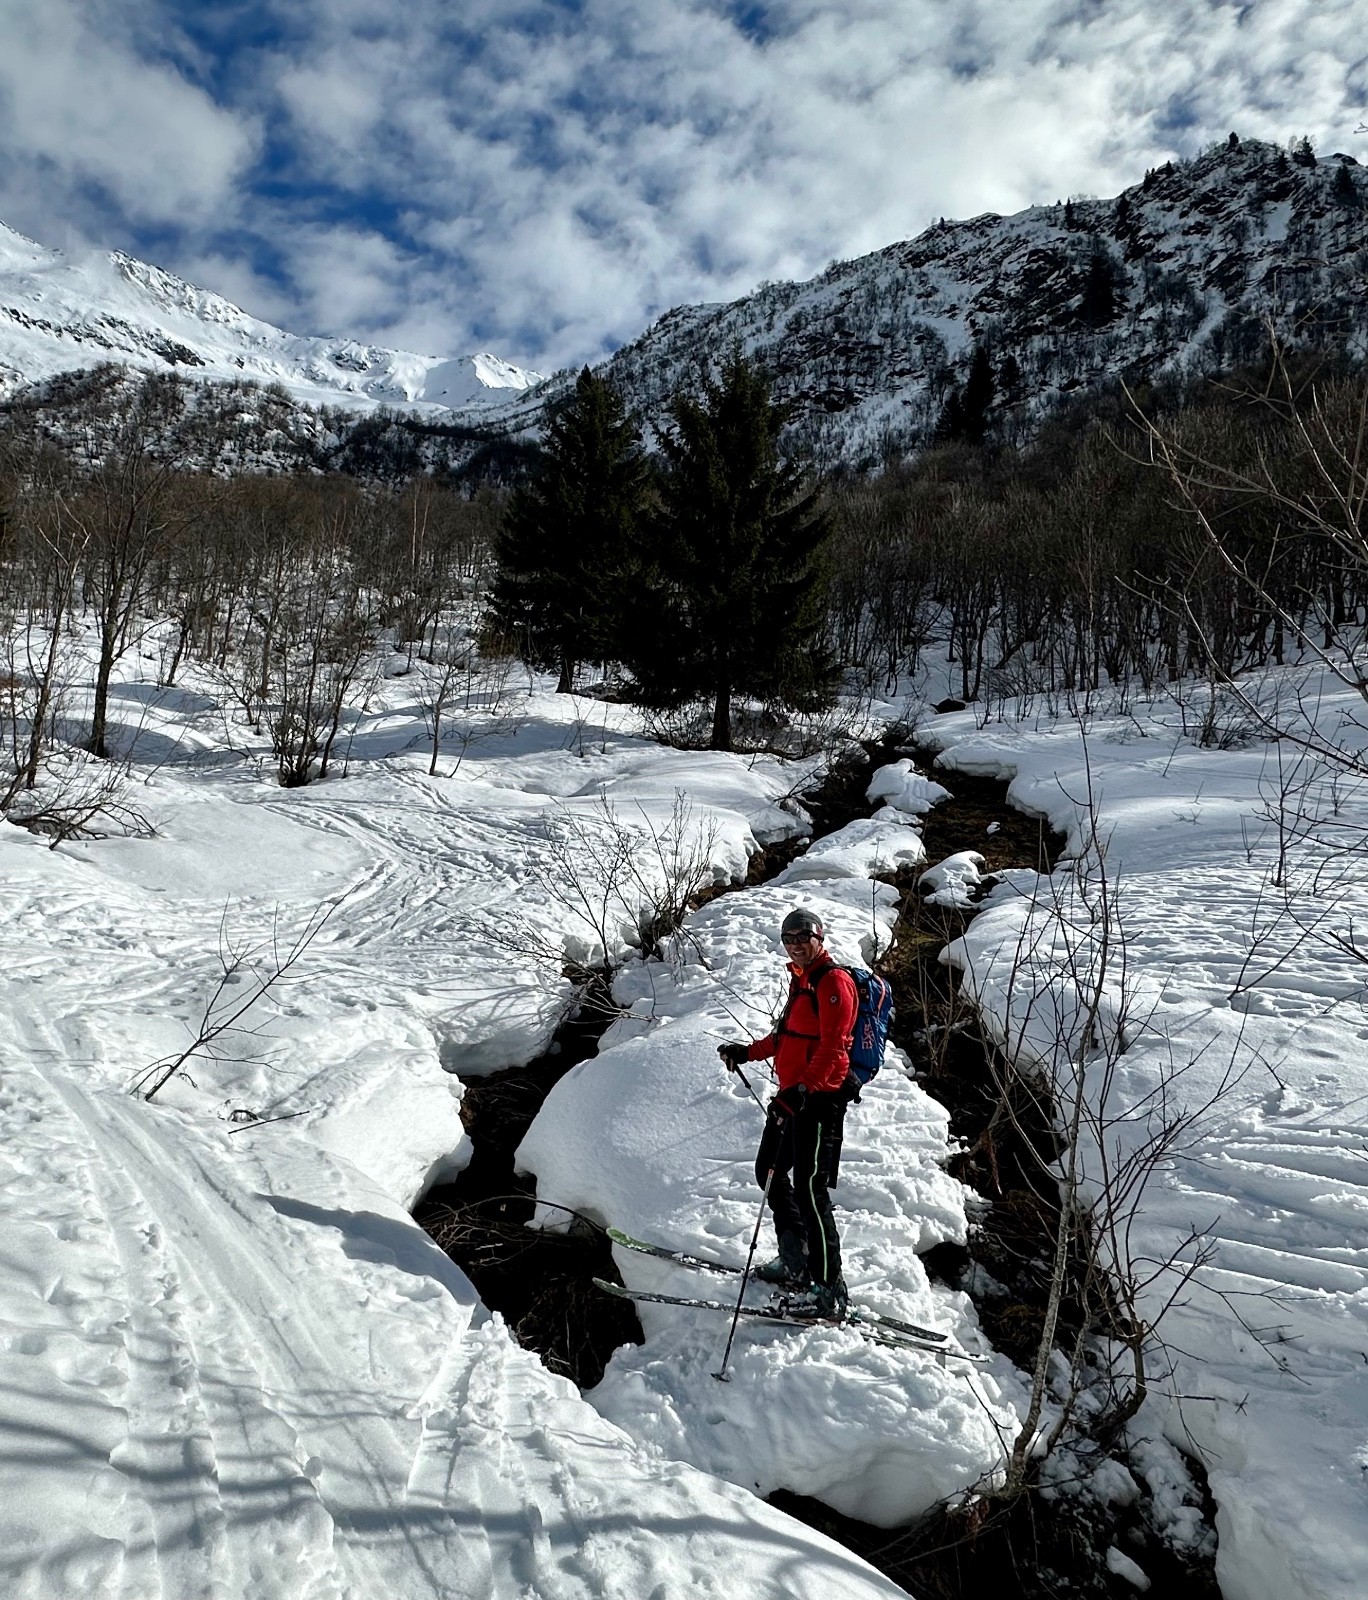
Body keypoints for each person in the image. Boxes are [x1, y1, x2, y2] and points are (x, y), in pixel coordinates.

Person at [717, 907, 857, 1317]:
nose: (795, 944)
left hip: (818, 1102)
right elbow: (786, 1037)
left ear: (819, 937)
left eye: (802, 936)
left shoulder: (834, 982)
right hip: (791, 1098)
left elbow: (835, 1047)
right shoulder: (802, 981)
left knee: (811, 1191)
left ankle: (829, 1288)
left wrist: (802, 1090)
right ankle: (795, 1260)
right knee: (770, 1174)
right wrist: (747, 1052)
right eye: (788, 938)